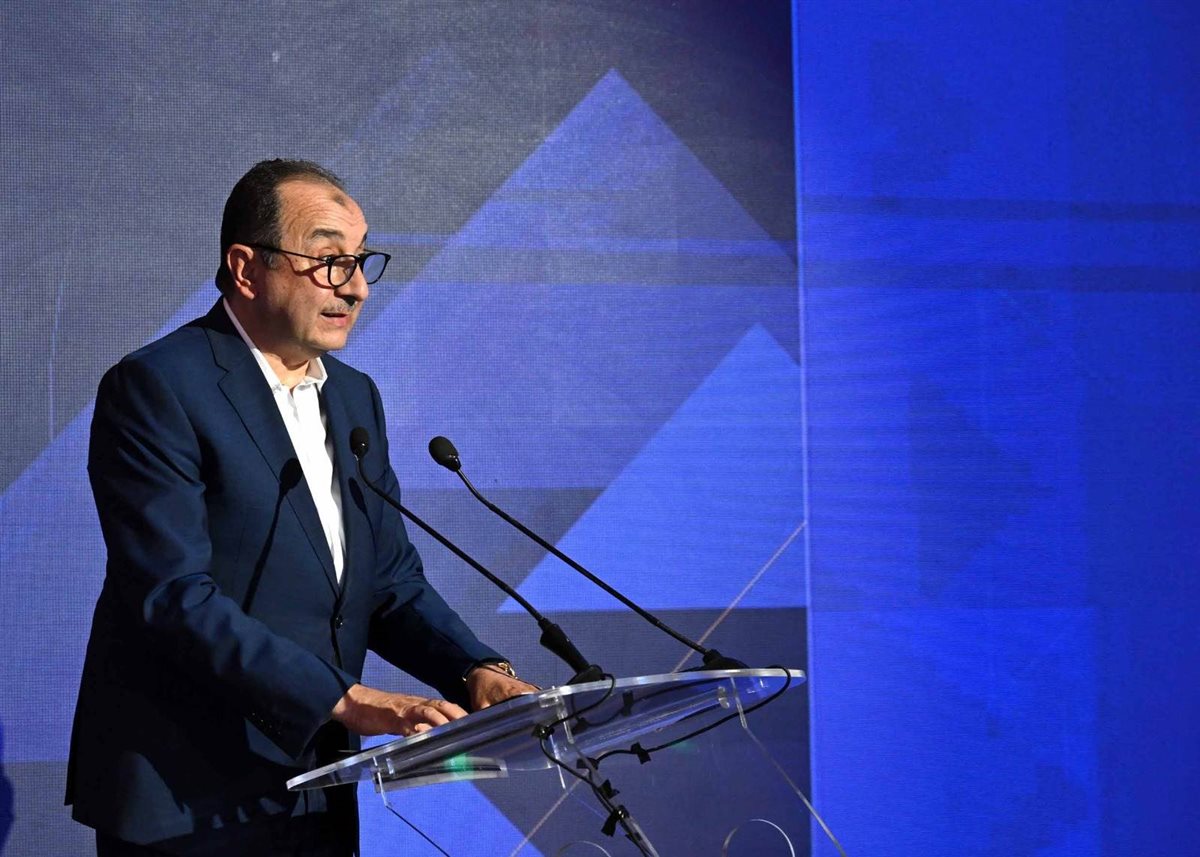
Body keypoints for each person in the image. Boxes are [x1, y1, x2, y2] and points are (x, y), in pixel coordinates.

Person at [66, 159, 534, 856]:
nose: (357, 286)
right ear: (246, 268)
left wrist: (474, 669)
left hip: (316, 783)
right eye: (329, 260)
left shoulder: (352, 396)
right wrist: (347, 699)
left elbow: (388, 580)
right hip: (186, 794)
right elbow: (173, 594)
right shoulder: (158, 388)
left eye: (361, 260)